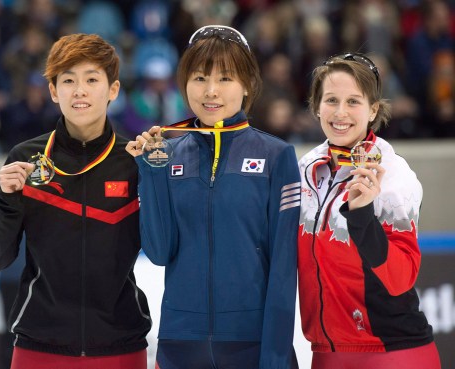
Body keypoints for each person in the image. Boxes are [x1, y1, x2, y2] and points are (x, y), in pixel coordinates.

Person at [126, 25, 301, 369]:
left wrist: (276, 357)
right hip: (179, 344)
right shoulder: (168, 155)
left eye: (225, 78)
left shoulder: (277, 156)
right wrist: (150, 172)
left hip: (250, 345)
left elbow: (283, 270)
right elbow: (159, 252)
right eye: (199, 77)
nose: (210, 91)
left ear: (248, 83)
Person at [0, 33, 151, 369]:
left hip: (121, 346)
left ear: (113, 90)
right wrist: (9, 199)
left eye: (91, 79)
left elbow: (161, 249)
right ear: (54, 91)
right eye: (68, 80)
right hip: (38, 347)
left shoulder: (134, 160)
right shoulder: (26, 158)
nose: (80, 91)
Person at [298, 52, 441, 369]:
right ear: (316, 106)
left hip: (392, 353)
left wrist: (361, 216)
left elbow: (400, 278)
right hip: (325, 352)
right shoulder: (305, 169)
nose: (340, 112)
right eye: (331, 100)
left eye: (353, 102)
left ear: (373, 109)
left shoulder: (393, 173)